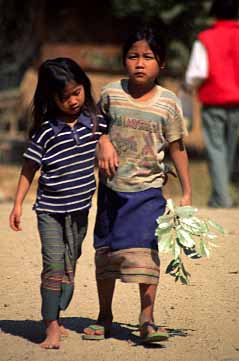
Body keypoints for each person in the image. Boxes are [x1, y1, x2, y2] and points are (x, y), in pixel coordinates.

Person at [83, 26, 192, 343]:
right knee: (107, 251)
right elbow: (94, 127)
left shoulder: (168, 103)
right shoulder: (110, 93)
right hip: (111, 191)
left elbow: (177, 147)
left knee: (146, 251)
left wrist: (186, 191)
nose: (140, 63)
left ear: (162, 64)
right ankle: (105, 316)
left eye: (148, 57)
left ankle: (147, 318)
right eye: (133, 56)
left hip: (148, 192)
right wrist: (102, 140)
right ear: (124, 60)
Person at [9, 57, 106, 349]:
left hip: (80, 211)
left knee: (70, 263)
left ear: (84, 88)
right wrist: (17, 204)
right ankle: (50, 325)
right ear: (51, 98)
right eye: (65, 97)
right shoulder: (46, 131)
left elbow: (108, 138)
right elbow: (29, 169)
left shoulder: (95, 122)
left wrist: (107, 141)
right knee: (53, 265)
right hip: (49, 211)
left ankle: (57, 312)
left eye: (77, 92)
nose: (73, 101)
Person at [185, 0, 239, 208]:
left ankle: (221, 198)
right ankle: (221, 194)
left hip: (215, 101)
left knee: (216, 149)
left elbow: (197, 73)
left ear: (214, 14)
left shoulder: (206, 38)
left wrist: (187, 86)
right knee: (229, 149)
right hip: (237, 103)